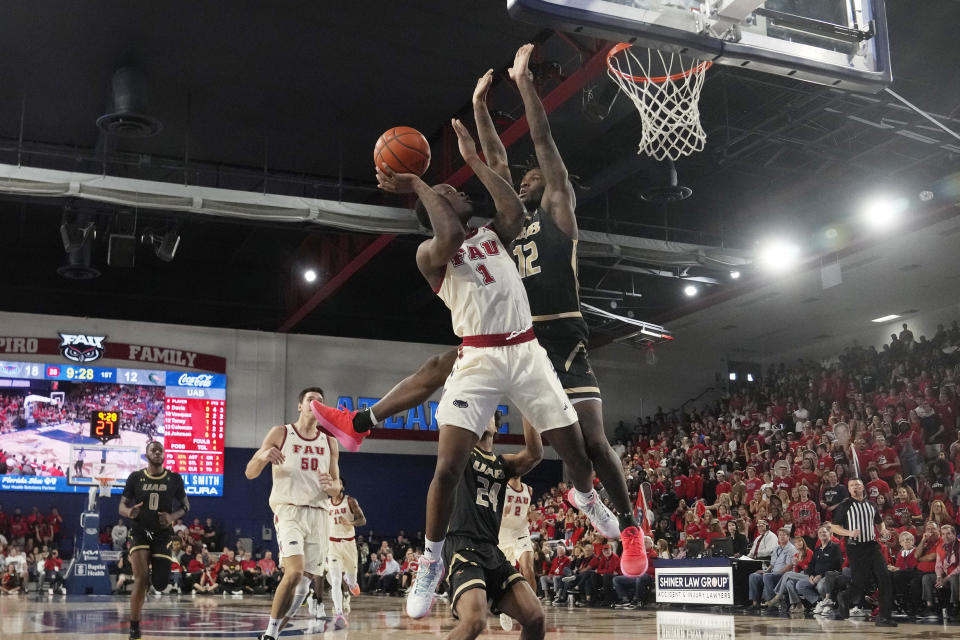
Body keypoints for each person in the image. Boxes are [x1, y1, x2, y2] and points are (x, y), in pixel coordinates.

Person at [371, 109, 622, 620]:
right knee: (447, 467)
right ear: (435, 205)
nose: (458, 190)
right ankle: (432, 560)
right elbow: (443, 230)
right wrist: (420, 181)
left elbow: (512, 207)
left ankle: (585, 498)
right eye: (450, 190)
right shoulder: (430, 253)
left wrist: (471, 160)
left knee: (576, 453)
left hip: (527, 351)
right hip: (480, 356)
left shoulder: (493, 236)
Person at [245, 387, 343, 638]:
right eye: (311, 400)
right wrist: (264, 455)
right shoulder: (282, 433)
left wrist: (331, 486)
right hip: (289, 510)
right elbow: (250, 472)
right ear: (300, 406)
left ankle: (272, 633)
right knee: (295, 571)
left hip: (320, 514)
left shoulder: (329, 441)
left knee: (305, 583)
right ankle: (269, 632)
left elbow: (337, 487)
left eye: (321, 401)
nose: (316, 404)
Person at [440, 416, 545, 640]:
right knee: (474, 621)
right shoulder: (461, 453)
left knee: (535, 617)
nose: (482, 414)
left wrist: (527, 405)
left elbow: (535, 454)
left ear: (496, 426)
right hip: (463, 545)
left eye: (488, 412)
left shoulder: (503, 464)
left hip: (492, 549)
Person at [118, 441, 189, 640]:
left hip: (162, 534)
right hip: (140, 531)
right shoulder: (136, 477)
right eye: (153, 450)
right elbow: (121, 506)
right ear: (147, 454)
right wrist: (129, 512)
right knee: (140, 578)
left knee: (159, 584)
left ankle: (151, 581)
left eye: (160, 450)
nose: (157, 453)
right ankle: (134, 626)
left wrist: (172, 517)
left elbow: (186, 506)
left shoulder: (174, 478)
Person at [830, 478, 897, 626]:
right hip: (855, 547)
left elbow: (879, 522)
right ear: (848, 489)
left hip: (872, 545)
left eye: (857, 485)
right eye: (851, 485)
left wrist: (883, 531)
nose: (854, 487)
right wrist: (848, 532)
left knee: (884, 578)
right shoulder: (845, 505)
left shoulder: (871, 504)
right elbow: (834, 527)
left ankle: (884, 617)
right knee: (860, 582)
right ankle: (844, 597)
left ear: (862, 488)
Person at [323, 485, 365, 618]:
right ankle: (339, 613)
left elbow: (363, 520)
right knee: (335, 580)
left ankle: (351, 581)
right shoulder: (325, 503)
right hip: (332, 544)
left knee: (352, 582)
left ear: (341, 487)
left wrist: (350, 523)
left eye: (336, 483)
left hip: (348, 543)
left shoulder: (351, 501)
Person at [795, 524, 845, 613]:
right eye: (820, 532)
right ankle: (819, 602)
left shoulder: (835, 547)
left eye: (824, 532)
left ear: (829, 533)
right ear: (818, 535)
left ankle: (829, 604)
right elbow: (811, 564)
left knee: (820, 586)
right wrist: (811, 575)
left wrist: (820, 575)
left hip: (829, 575)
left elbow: (836, 565)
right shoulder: (817, 549)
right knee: (800, 585)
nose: (822, 534)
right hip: (815, 576)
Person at [747, 528, 796, 609]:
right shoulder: (776, 548)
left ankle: (772, 603)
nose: (781, 537)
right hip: (773, 573)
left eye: (784, 535)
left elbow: (790, 566)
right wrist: (766, 571)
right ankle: (755, 603)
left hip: (783, 575)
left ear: (788, 537)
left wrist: (774, 573)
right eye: (780, 535)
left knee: (767, 576)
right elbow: (772, 565)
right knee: (754, 576)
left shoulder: (792, 549)